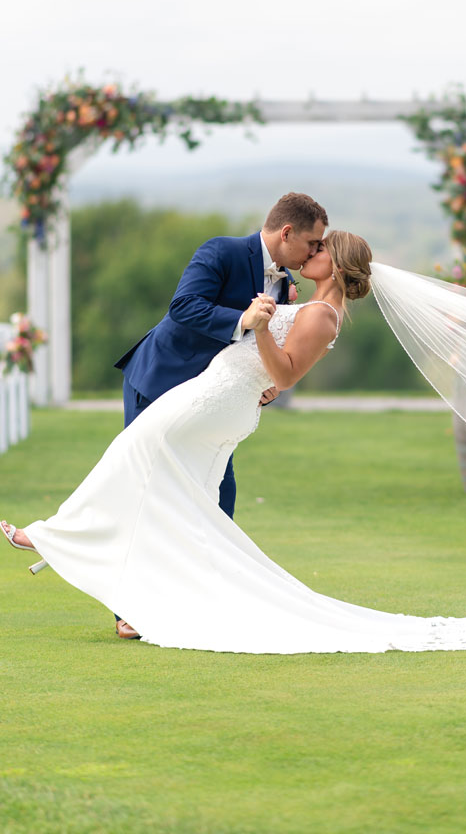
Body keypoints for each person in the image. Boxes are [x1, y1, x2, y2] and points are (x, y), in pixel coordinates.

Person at [0, 231, 466, 654]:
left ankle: (48, 538)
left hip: (213, 402)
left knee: (133, 455)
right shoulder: (305, 302)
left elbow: (283, 374)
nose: (310, 253)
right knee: (182, 496)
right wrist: (263, 331)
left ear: (335, 264)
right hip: (217, 397)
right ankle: (153, 594)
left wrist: (259, 323)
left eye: (320, 249)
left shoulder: (323, 314)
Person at [105, 191, 327, 638]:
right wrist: (244, 318)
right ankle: (128, 609)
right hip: (160, 380)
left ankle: (203, 596)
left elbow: (264, 352)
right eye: (313, 243)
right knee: (148, 488)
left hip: (213, 400)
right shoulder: (221, 250)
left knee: (220, 493)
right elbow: (183, 308)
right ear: (287, 233)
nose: (316, 252)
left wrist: (265, 387)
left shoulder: (284, 283)